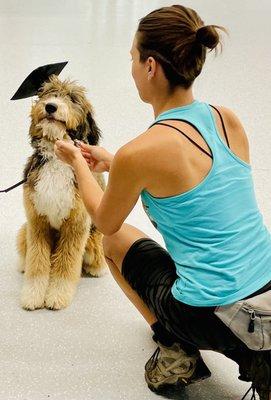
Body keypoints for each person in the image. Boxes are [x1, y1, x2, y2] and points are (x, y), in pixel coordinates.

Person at [54, 4, 271, 400]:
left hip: (209, 312)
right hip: (268, 289)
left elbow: (105, 221)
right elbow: (205, 187)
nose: (133, 68)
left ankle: (177, 351)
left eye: (133, 59)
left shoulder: (141, 153)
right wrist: (116, 160)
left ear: (151, 66)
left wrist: (78, 164)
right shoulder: (227, 118)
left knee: (113, 243)